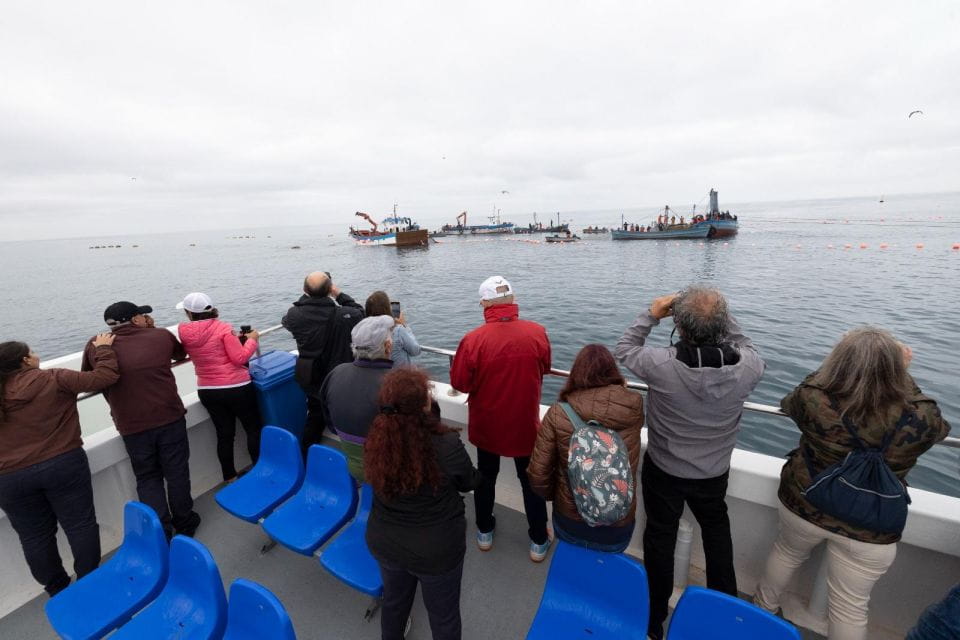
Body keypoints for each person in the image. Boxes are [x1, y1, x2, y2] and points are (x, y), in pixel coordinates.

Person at [754, 328, 950, 640]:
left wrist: (835, 369)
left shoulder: (815, 398)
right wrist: (902, 374)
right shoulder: (921, 414)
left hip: (807, 502)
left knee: (786, 553)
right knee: (850, 606)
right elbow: (937, 430)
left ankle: (761, 613)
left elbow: (790, 402)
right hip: (872, 521)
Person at [615, 286, 765, 640]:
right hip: (713, 472)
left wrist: (652, 313)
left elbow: (624, 348)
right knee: (717, 536)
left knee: (660, 540)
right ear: (722, 325)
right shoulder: (749, 368)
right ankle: (724, 614)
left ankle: (653, 622)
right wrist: (718, 315)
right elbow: (749, 345)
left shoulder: (660, 364)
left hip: (665, 470)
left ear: (679, 327)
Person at [365, 368, 482, 640]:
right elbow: (467, 481)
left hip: (385, 541)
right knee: (444, 617)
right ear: (424, 405)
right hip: (436, 551)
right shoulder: (446, 443)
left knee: (394, 604)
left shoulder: (378, 439)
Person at [0, 336, 118, 596]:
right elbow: (104, 378)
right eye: (34, 350)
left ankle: (57, 589)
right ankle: (88, 581)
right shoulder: (54, 378)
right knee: (80, 525)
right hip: (62, 463)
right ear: (25, 360)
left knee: (34, 536)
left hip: (9, 478)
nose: (37, 354)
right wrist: (104, 349)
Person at [450, 276, 552, 562]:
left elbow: (460, 382)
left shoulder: (473, 340)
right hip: (524, 423)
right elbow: (544, 367)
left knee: (485, 476)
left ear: (484, 303)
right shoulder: (537, 332)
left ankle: (484, 531)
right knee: (529, 481)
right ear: (512, 299)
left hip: (488, 425)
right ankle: (538, 539)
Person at [83, 301, 201, 541]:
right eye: (143, 315)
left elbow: (90, 376)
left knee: (147, 477)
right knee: (177, 471)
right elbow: (180, 353)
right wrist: (153, 331)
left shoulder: (95, 344)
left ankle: (161, 531)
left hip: (132, 424)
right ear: (136, 319)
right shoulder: (159, 336)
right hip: (169, 416)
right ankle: (185, 522)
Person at [527, 344, 643, 552]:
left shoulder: (558, 413)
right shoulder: (634, 405)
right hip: (618, 523)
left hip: (570, 520)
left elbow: (538, 474)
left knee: (573, 568)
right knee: (606, 574)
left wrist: (561, 496)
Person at [176, 292, 263, 482]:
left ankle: (229, 477)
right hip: (236, 387)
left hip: (208, 390)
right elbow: (239, 358)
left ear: (188, 312)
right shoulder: (223, 328)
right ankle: (258, 470)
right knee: (253, 429)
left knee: (224, 434)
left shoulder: (183, 332)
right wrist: (252, 339)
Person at [282, 271, 364, 453]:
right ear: (330, 289)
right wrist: (339, 294)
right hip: (338, 379)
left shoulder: (294, 315)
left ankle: (306, 458)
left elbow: (287, 321)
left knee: (315, 416)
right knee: (345, 420)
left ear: (304, 290)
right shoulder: (345, 315)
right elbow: (360, 312)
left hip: (311, 377)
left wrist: (310, 294)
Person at [320, 315, 396, 481]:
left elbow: (329, 421)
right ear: (388, 346)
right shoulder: (396, 383)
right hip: (388, 470)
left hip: (354, 466)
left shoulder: (336, 373)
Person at [365, 291, 421, 367]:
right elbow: (416, 351)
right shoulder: (398, 330)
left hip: (375, 375)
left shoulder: (364, 332)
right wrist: (404, 326)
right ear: (387, 309)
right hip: (398, 376)